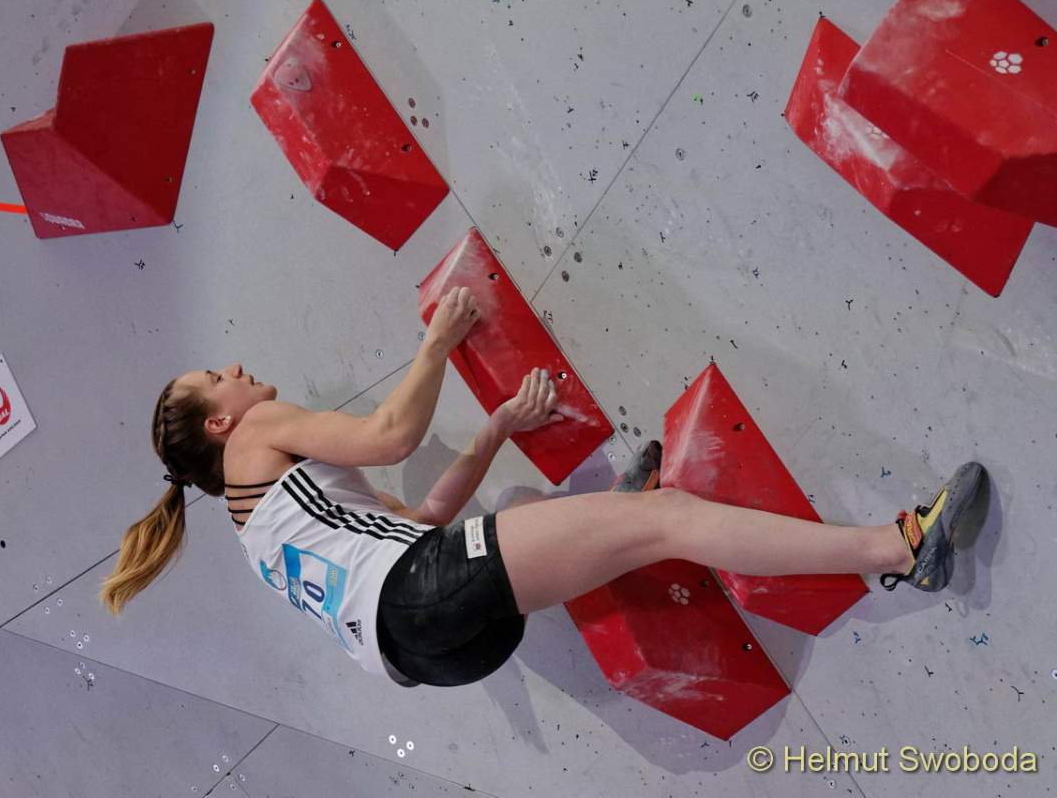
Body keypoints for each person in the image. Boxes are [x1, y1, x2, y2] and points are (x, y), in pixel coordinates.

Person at [99, 286, 989, 688]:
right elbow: (390, 435)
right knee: (670, 521)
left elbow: (422, 518)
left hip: (432, 653)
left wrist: (493, 430)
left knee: (529, 516)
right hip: (420, 594)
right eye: (214, 379)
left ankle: (615, 515)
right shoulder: (259, 433)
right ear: (219, 425)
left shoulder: (259, 532)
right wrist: (437, 344)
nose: (234, 369)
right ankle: (899, 547)